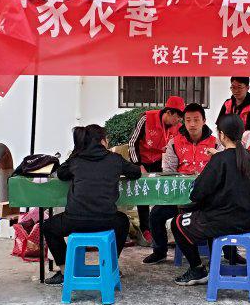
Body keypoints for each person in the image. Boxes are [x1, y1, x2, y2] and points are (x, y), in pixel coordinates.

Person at [40, 124, 141, 285]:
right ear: (103, 141)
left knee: (48, 226)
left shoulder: (76, 160)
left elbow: (61, 174)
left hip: (74, 220)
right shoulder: (115, 159)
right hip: (106, 220)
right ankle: (111, 266)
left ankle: (65, 271)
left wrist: (76, 154)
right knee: (123, 221)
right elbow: (136, 172)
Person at [170, 114, 250, 286]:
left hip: (223, 221)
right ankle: (214, 264)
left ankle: (197, 269)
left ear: (222, 135)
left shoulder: (219, 159)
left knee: (177, 223)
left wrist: (215, 160)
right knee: (206, 216)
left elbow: (197, 193)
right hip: (248, 221)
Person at [142, 102, 221, 265]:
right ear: (183, 121)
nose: (192, 124)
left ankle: (225, 254)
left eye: (196, 120)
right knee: (155, 214)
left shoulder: (215, 144)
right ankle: (159, 251)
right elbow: (168, 172)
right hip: (180, 201)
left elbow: (222, 172)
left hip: (207, 201)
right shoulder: (174, 143)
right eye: (188, 120)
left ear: (204, 121)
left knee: (221, 216)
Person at [128, 95, 185, 244]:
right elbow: (132, 142)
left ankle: (159, 226)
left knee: (162, 190)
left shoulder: (178, 127)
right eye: (177, 117)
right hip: (142, 159)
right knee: (143, 193)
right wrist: (137, 165)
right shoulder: (146, 118)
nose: (179, 121)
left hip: (160, 160)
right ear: (169, 112)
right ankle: (145, 228)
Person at [217, 77, 250, 158]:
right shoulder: (227, 103)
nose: (236, 91)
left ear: (247, 88)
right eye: (233, 87)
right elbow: (219, 127)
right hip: (228, 149)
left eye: (239, 87)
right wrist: (221, 148)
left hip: (249, 152)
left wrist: (236, 150)